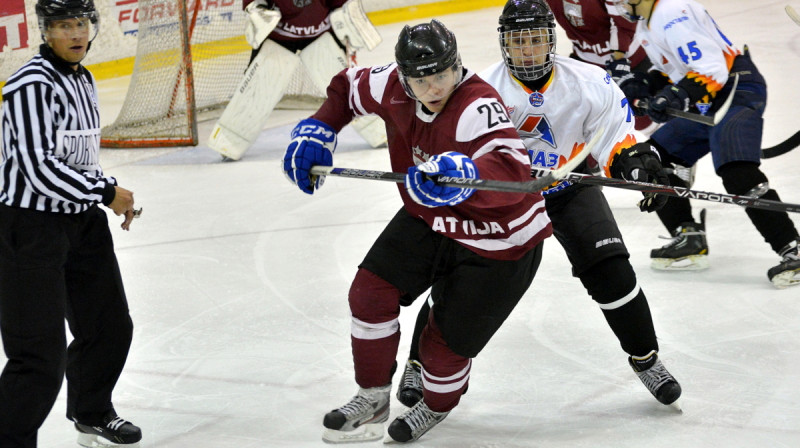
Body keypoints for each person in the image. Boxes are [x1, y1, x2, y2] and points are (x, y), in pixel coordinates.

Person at [396, 0, 682, 413]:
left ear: (550, 39)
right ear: (503, 44)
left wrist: (634, 162)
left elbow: (615, 134)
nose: (527, 50)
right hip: (501, 200)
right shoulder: (481, 90)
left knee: (611, 268)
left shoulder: (588, 81)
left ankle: (647, 359)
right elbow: (449, 144)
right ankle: (419, 364)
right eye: (518, 41)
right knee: (456, 277)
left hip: (568, 188)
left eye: (535, 40)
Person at [282, 19, 553, 444]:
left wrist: (465, 172)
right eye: (420, 79)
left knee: (440, 351)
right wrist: (320, 127)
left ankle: (438, 404)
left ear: (457, 65)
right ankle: (372, 395)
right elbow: (346, 88)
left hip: (500, 240)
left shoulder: (476, 104)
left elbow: (512, 170)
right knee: (369, 294)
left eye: (442, 74)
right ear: (403, 76)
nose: (433, 87)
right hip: (432, 219)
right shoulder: (391, 85)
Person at [0, 1, 142, 447]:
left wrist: (109, 189)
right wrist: (105, 193)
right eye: (64, 26)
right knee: (38, 358)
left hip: (81, 224)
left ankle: (91, 411)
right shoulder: (29, 85)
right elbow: (37, 168)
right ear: (46, 31)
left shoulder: (82, 78)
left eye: (81, 24)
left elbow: (77, 160)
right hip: (29, 230)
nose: (76, 34)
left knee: (110, 326)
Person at [608, 0, 800, 288]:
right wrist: (642, 88)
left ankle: (792, 248)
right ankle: (688, 236)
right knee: (655, 159)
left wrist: (672, 96)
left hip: (737, 89)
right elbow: (669, 72)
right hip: (708, 100)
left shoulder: (670, 12)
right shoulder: (647, 23)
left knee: (737, 170)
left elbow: (711, 70)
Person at [208, 0, 386, 160]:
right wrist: (257, 8)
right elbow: (253, 3)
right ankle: (229, 141)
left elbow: (342, 5)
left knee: (346, 90)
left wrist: (348, 17)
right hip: (278, 40)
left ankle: (380, 132)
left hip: (320, 37)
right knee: (258, 92)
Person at [544, 0, 658, 135]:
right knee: (587, 128)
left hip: (630, 60)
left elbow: (623, 24)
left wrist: (619, 60)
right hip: (586, 62)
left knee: (643, 123)